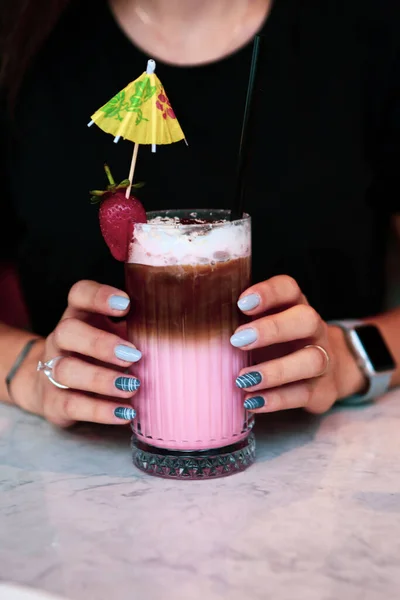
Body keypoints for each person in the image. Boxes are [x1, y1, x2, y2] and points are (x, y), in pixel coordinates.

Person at [0, 0, 399, 427]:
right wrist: (28, 369)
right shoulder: (18, 37)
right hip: (71, 472)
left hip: (324, 466)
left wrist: (350, 354)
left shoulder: (370, 30)